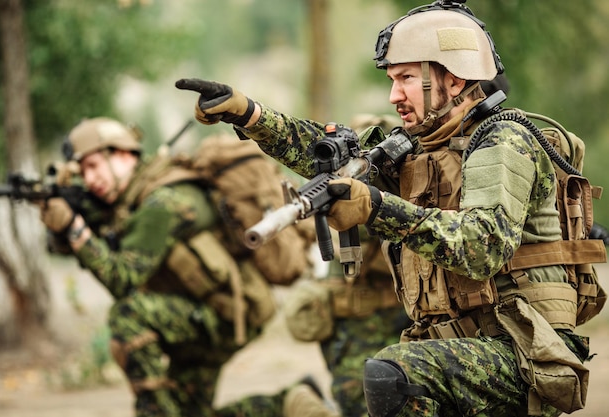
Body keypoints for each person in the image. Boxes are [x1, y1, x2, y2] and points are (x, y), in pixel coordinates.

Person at [175, 1, 605, 416]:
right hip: (460, 345)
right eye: (391, 80)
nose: (394, 95)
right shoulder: (424, 150)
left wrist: (375, 207)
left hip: (522, 354)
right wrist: (248, 115)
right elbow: (332, 157)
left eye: (404, 79)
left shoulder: (502, 141)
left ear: (453, 80)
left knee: (392, 375)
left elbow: (481, 247)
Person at [38, 117, 316, 417]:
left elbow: (123, 279)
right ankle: (290, 405)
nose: (90, 179)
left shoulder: (162, 203)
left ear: (121, 153)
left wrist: (75, 229)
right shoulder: (138, 196)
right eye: (83, 172)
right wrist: (66, 228)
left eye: (93, 166)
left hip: (222, 314)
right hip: (214, 310)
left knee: (127, 316)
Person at [282, 114, 411, 417]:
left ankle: (306, 403)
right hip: (354, 322)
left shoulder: (406, 182)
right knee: (361, 400)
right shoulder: (335, 180)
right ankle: (304, 402)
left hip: (401, 318)